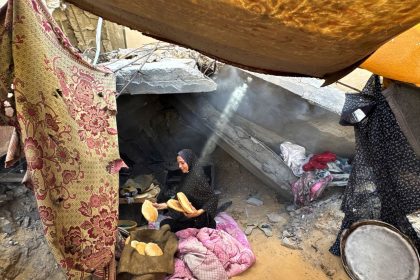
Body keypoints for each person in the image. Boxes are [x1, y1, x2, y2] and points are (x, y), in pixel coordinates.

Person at [153, 149, 218, 232]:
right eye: (179, 163)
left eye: (182, 163)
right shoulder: (187, 175)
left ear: (190, 161)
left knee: (167, 225)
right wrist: (162, 206)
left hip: (200, 221)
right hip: (189, 215)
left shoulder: (197, 177)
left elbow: (213, 198)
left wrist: (197, 212)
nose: (179, 166)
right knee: (165, 223)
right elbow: (180, 200)